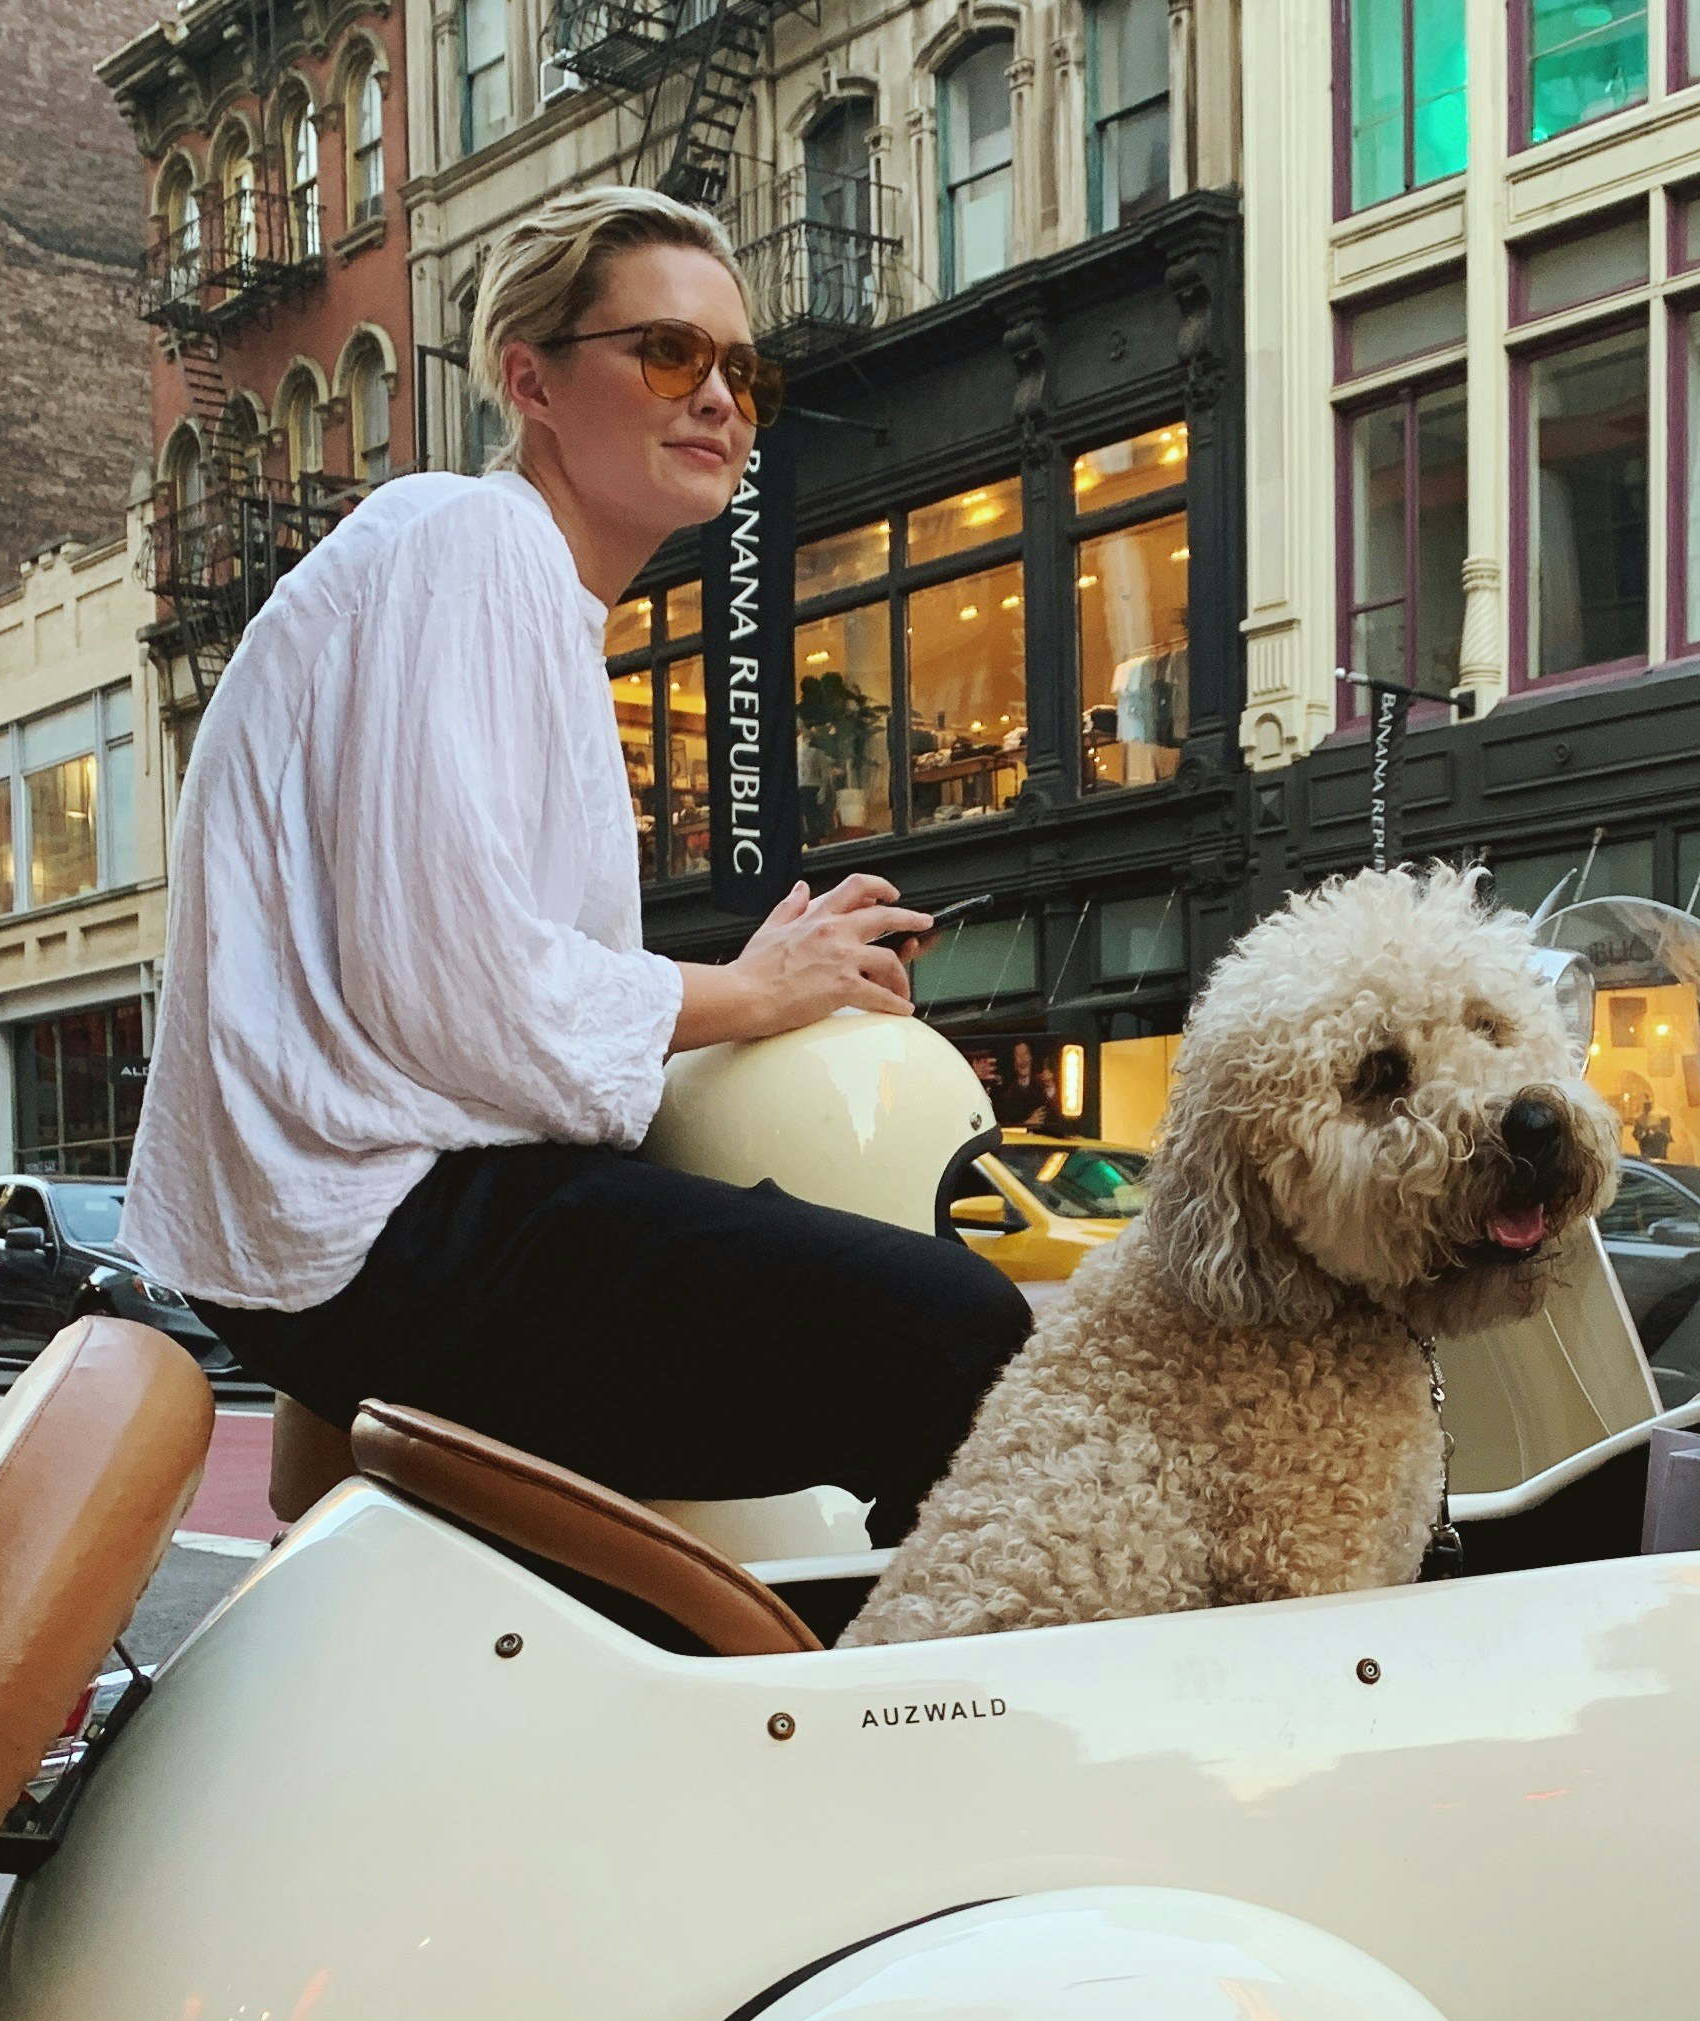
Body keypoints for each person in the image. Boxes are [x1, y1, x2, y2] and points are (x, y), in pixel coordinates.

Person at [123, 187, 1031, 1539]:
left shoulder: (514, 592)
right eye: (668, 353)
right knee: (966, 1333)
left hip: (351, 1227)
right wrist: (750, 992)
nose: (718, 398)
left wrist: (724, 993)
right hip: (385, 1225)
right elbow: (455, 984)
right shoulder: (473, 542)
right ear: (530, 380)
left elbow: (441, 982)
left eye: (744, 372)